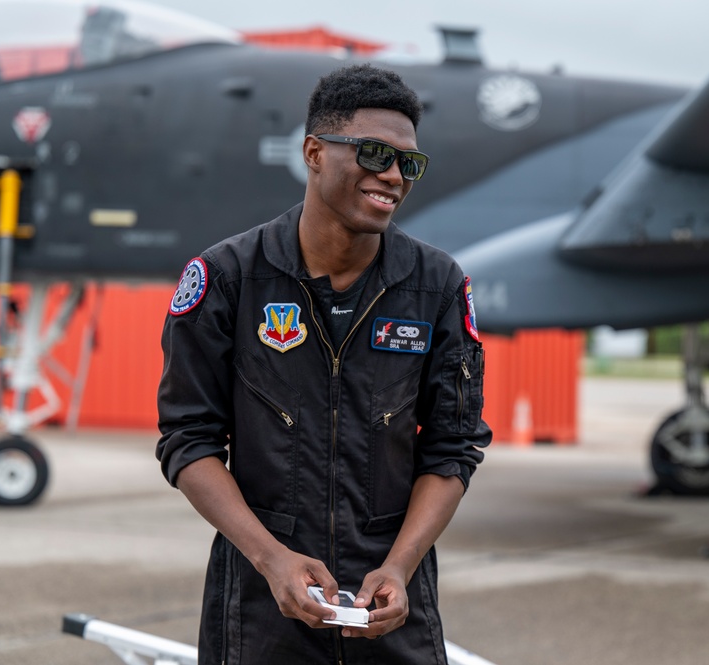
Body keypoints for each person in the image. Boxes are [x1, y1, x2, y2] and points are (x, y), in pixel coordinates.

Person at [156, 63, 491, 665]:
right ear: (314, 151)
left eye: (407, 163)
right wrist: (270, 558)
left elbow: (453, 447)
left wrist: (400, 566)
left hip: (389, 609)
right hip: (259, 613)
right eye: (372, 153)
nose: (392, 175)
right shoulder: (227, 280)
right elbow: (189, 439)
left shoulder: (437, 286)